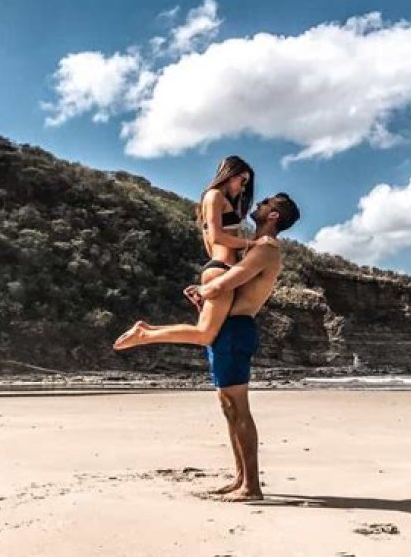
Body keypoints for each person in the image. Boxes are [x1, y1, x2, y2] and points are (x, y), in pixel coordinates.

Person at [184, 193, 300, 500]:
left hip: (236, 330)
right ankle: (240, 478)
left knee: (239, 408)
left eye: (266, 203)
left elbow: (226, 283)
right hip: (227, 329)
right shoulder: (254, 247)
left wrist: (204, 289)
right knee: (228, 408)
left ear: (273, 216)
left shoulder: (266, 248)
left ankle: (252, 487)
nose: (259, 203)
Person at [113, 155, 271, 350]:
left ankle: (146, 330)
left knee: (204, 331)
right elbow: (216, 237)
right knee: (205, 335)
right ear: (230, 175)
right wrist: (252, 244)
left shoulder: (217, 199)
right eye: (243, 181)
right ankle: (144, 335)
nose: (244, 187)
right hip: (221, 269)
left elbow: (211, 243)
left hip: (220, 268)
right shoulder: (214, 195)